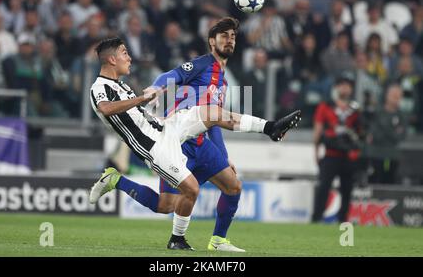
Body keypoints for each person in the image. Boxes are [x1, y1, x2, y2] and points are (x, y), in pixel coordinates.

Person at [97, 18, 301, 252]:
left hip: (203, 143)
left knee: (233, 186)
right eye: (224, 36)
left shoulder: (222, 82)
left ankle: (218, 240)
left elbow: (213, 120)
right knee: (165, 205)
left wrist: (223, 156)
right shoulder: (203, 64)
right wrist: (156, 87)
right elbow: (172, 75)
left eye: (233, 37)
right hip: (178, 142)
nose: (229, 40)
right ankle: (117, 181)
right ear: (211, 41)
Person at [311, 73, 362, 223]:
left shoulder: (355, 109)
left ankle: (343, 221)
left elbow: (360, 133)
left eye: (348, 86)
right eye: (342, 85)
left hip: (348, 156)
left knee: (347, 190)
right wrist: (315, 151)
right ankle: (316, 219)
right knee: (323, 188)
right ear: (336, 88)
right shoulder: (326, 106)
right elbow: (318, 130)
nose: (345, 88)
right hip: (331, 154)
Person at [367, 83, 407, 184]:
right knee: (374, 179)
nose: (396, 98)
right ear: (387, 95)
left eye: (399, 95)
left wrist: (384, 127)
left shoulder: (402, 116)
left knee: (390, 180)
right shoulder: (377, 112)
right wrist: (391, 130)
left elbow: (400, 137)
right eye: (394, 95)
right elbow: (374, 135)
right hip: (375, 153)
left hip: (393, 154)